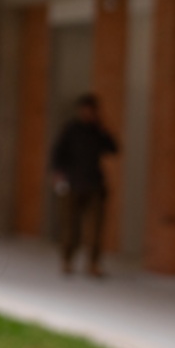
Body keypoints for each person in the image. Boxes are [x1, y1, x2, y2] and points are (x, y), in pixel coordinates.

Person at [49, 93, 118, 277]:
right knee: (70, 226)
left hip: (94, 185)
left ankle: (93, 263)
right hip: (72, 184)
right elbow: (57, 153)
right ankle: (67, 260)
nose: (89, 113)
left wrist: (104, 128)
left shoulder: (98, 131)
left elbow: (113, 148)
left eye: (92, 110)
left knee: (95, 227)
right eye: (86, 110)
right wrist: (57, 174)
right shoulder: (71, 129)